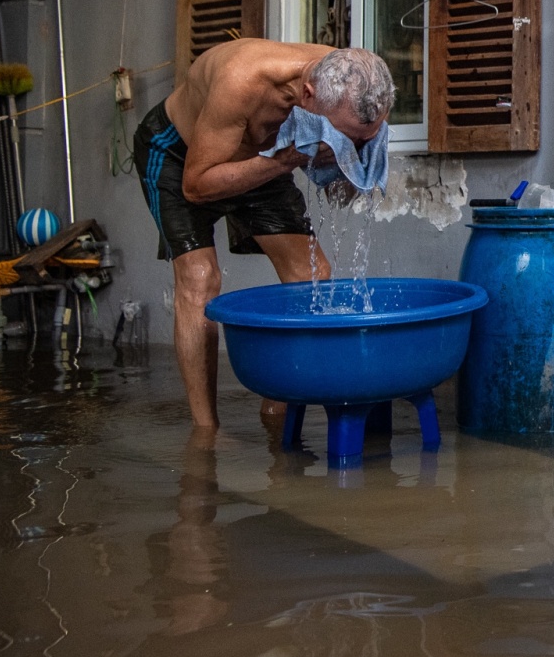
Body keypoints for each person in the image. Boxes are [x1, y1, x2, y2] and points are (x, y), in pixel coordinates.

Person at [133, 39, 394, 428]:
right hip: (180, 156)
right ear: (308, 96)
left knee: (313, 276)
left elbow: (342, 190)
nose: (349, 146)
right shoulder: (242, 81)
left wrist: (365, 154)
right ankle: (206, 431)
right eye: (344, 138)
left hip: (262, 160)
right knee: (200, 279)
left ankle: (277, 409)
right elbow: (196, 186)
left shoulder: (352, 80)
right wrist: (286, 161)